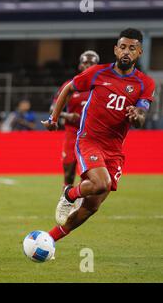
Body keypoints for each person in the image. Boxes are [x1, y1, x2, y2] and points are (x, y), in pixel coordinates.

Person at [42, 28, 155, 244]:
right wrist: (54, 119)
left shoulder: (145, 83)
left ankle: (49, 239)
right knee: (101, 183)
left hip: (114, 150)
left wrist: (136, 116)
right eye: (122, 47)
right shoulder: (97, 73)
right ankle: (69, 194)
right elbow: (68, 88)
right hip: (89, 140)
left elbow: (141, 117)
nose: (126, 52)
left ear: (139, 52)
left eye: (132, 48)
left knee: (92, 206)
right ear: (115, 49)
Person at [50, 50, 100, 188]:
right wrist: (68, 115)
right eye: (85, 63)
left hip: (92, 134)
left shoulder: (101, 86)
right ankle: (66, 200)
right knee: (69, 171)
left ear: (97, 66)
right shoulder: (70, 85)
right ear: (80, 66)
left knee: (90, 173)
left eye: (92, 63)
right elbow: (52, 109)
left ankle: (82, 202)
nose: (88, 66)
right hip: (72, 131)